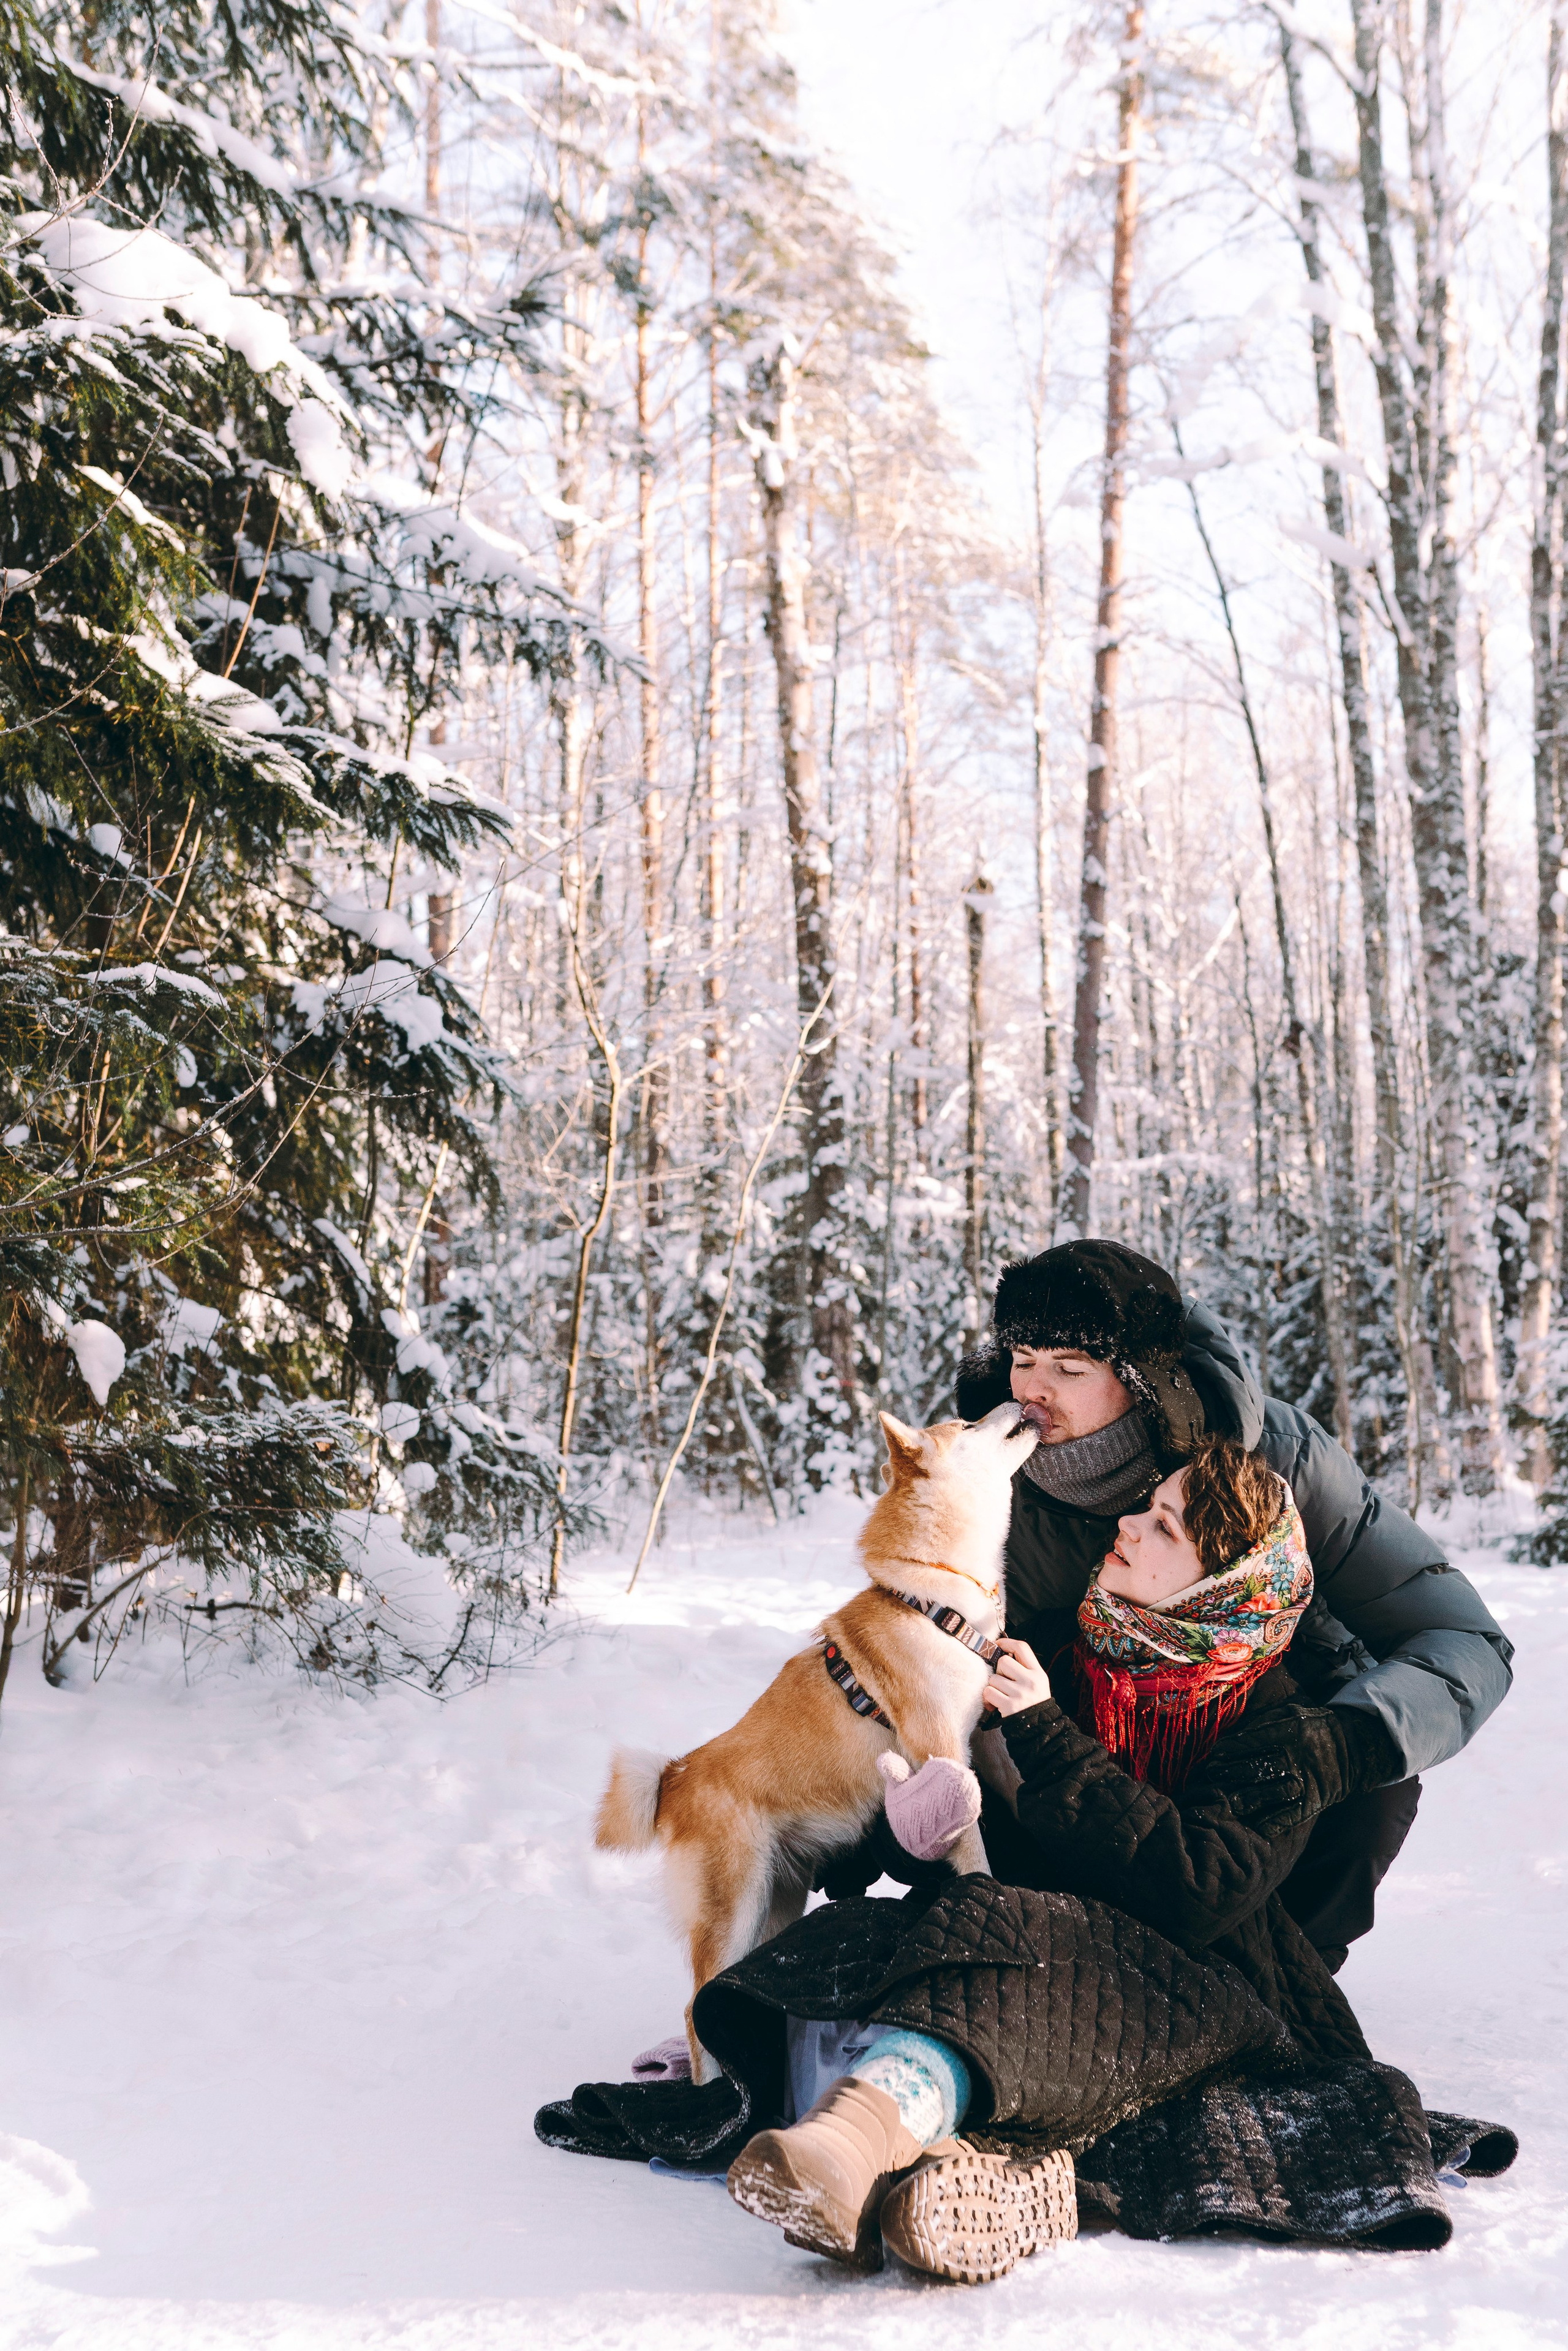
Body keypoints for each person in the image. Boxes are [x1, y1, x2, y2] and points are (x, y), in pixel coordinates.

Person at [537, 1433, 1518, 2276]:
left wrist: (1045, 1733)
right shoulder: (1055, 1643)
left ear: (1224, 1582)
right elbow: (979, 1836)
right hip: (1037, 1942)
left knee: (1020, 1954)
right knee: (866, 1937)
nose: (1128, 1526)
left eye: (1166, 1527)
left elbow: (1196, 1891)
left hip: (1204, 1982)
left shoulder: (1284, 1726)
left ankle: (854, 2145)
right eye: (1144, 1506)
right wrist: (919, 1829)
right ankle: (971, 2170)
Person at [873, 1237, 1514, 1969]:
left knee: (1374, 1785)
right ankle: (1070, 1966)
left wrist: (1346, 1740)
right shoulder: (995, 1484)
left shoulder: (1281, 1457)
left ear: (1141, 1380)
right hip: (1094, 1743)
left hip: (1265, 1732)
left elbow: (1460, 1635)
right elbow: (918, 1643)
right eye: (1022, 1360)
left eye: (1068, 1368)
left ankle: (1283, 1986)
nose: (1031, 1391)